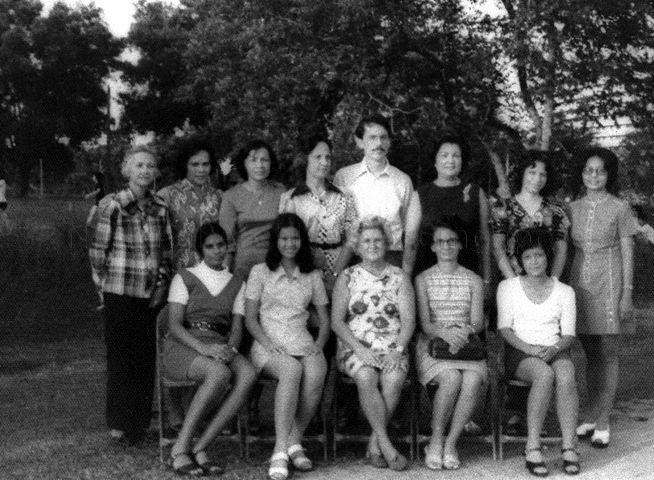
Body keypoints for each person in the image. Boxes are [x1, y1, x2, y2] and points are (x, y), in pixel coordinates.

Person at [89, 145, 173, 445]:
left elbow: (165, 252)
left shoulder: (161, 208)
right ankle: (119, 424)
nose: (145, 171)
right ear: (127, 170)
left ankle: (139, 423)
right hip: (119, 291)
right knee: (121, 357)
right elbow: (98, 252)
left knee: (144, 358)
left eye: (150, 166)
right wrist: (103, 288)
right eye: (139, 165)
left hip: (149, 294)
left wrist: (161, 285)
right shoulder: (113, 205)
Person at [163, 222, 257, 475]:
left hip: (220, 344)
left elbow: (237, 327)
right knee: (219, 373)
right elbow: (174, 326)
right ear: (200, 250)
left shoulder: (236, 282)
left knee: (248, 374)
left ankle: (202, 446)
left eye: (221, 245)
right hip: (185, 345)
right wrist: (204, 349)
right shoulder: (185, 277)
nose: (217, 251)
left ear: (228, 247)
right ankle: (179, 449)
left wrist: (231, 350)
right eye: (210, 246)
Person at [244, 213, 330, 480]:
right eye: (284, 238)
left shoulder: (312, 275)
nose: (290, 243)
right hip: (268, 343)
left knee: (317, 371)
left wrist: (319, 344)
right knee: (291, 370)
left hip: (302, 340)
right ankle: (280, 451)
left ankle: (294, 440)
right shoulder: (260, 272)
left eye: (295, 238)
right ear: (276, 241)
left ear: (302, 241)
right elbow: (249, 319)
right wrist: (268, 344)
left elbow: (325, 320)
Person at [331, 216, 415, 471]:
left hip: (392, 345)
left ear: (387, 242)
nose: (373, 244)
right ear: (357, 245)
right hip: (355, 345)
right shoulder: (347, 276)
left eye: (378, 239)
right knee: (366, 376)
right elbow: (336, 322)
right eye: (366, 240)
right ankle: (386, 445)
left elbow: (409, 321)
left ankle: (375, 444)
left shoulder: (400, 276)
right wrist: (359, 349)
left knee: (394, 379)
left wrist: (397, 350)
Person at [497, 227, 579, 476]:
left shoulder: (565, 291)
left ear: (548, 257)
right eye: (528, 257)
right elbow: (504, 329)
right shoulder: (508, 287)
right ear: (520, 260)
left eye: (539, 256)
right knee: (543, 374)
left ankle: (569, 446)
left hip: (555, 348)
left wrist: (553, 348)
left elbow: (568, 335)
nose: (534, 262)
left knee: (566, 374)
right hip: (519, 350)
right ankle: (532, 446)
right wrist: (530, 349)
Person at [568, 147, 636, 448]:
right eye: (588, 170)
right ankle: (591, 413)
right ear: (581, 173)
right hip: (579, 282)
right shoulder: (571, 208)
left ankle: (604, 419)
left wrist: (627, 294)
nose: (594, 175)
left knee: (608, 353)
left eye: (600, 170)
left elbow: (627, 251)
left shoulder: (620, 207)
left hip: (610, 283)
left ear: (609, 174)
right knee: (590, 354)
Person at [415, 218, 487, 471]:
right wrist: (445, 334)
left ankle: (451, 443)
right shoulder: (422, 279)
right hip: (434, 345)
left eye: (452, 241)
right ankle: (435, 439)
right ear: (433, 247)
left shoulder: (473, 280)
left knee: (472, 379)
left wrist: (463, 332)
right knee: (451, 378)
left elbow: (477, 322)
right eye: (440, 242)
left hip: (466, 343)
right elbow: (425, 324)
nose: (446, 246)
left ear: (459, 245)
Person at [333, 114, 420, 276]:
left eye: (383, 138)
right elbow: (336, 224)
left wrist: (406, 275)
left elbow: (409, 233)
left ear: (389, 142)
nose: (378, 143)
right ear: (359, 141)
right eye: (372, 137)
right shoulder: (344, 177)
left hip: (391, 260)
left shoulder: (402, 180)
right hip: (353, 258)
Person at [279, 134, 357, 293]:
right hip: (302, 271)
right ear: (305, 160)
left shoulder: (345, 196)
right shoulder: (290, 198)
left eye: (328, 157)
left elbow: (352, 238)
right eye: (318, 157)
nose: (324, 162)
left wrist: (335, 275)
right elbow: (286, 240)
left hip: (339, 271)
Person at [415, 134, 492, 287]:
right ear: (435, 160)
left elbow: (485, 240)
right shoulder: (420, 195)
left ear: (462, 161)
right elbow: (411, 242)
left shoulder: (476, 193)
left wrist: (487, 279)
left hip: (468, 276)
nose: (450, 160)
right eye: (444, 155)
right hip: (428, 279)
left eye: (456, 155)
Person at [490, 151, 569, 279]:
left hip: (546, 283)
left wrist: (553, 282)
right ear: (522, 174)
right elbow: (497, 247)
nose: (537, 179)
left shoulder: (556, 209)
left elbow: (561, 250)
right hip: (512, 281)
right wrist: (513, 283)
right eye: (532, 173)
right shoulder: (503, 207)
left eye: (542, 174)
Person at [219, 139, 286, 279]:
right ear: (244, 163)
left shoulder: (280, 192)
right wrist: (223, 277)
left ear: (270, 163)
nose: (259, 165)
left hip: (275, 266)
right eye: (253, 160)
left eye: (264, 160)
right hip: (243, 268)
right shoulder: (231, 196)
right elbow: (227, 242)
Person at [158, 135, 222, 271]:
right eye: (195, 164)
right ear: (185, 165)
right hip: (181, 274)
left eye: (205, 164)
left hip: (214, 273)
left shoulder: (220, 196)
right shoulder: (167, 195)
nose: (201, 170)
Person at [0, 165, 10, 234]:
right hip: (2, 201)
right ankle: (7, 230)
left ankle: (6, 230)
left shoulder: (2, 181)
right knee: (3, 216)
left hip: (1, 201)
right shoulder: (3, 181)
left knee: (3, 216)